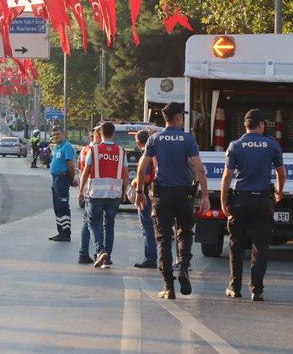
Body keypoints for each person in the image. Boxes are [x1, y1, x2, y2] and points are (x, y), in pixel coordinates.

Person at [135, 102, 210, 299]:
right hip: (184, 195)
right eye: (182, 116)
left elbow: (142, 168)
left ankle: (168, 286)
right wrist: (205, 195)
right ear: (178, 117)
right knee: (185, 234)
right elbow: (199, 168)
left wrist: (140, 192)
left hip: (162, 196)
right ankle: (183, 268)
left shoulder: (154, 139)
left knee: (163, 239)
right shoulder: (188, 139)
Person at [220, 109, 285, 302]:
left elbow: (227, 176)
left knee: (236, 244)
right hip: (263, 200)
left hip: (240, 200)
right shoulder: (272, 145)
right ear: (262, 124)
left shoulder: (235, 145)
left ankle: (234, 287)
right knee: (261, 246)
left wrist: (224, 201)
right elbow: (281, 173)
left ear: (245, 125)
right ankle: (257, 289)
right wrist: (279, 192)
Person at [78, 122, 128, 268]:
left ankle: (100, 251)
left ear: (100, 134)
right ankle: (107, 257)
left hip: (96, 193)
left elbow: (86, 171)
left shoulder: (94, 150)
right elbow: (125, 174)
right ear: (113, 134)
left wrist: (81, 190)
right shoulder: (121, 151)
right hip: (114, 194)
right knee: (109, 225)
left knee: (94, 224)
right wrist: (124, 192)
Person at [132, 129, 157, 269]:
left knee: (147, 227)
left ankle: (150, 257)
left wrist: (135, 182)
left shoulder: (146, 156)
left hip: (146, 193)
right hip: (156, 192)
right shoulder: (156, 155)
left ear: (137, 142)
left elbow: (146, 177)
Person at [77, 126, 102, 264]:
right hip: (95, 190)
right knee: (93, 223)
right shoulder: (95, 150)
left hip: (87, 189)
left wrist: (81, 190)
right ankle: (96, 252)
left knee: (88, 222)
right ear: (98, 136)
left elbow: (81, 171)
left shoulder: (85, 149)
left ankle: (84, 252)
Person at [49, 126, 77, 242]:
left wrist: (71, 180)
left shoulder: (67, 146)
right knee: (57, 207)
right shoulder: (57, 147)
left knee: (63, 207)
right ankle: (60, 231)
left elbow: (71, 165)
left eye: (58, 134)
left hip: (62, 179)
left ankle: (66, 233)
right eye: (54, 134)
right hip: (55, 179)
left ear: (64, 135)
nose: (55, 136)